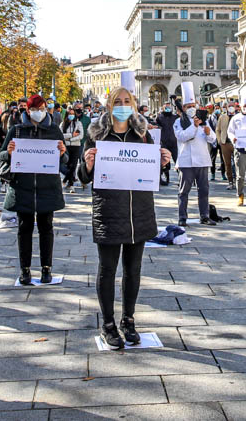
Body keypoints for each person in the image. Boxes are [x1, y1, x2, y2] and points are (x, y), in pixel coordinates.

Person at [78, 86, 171, 349]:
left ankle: (128, 320)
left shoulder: (143, 136)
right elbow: (82, 176)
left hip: (139, 211)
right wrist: (87, 164)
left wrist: (163, 162)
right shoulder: (96, 135)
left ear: (133, 105)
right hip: (108, 210)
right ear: (109, 106)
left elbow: (153, 171)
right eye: (117, 101)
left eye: (126, 101)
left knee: (134, 270)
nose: (122, 104)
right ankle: (108, 324)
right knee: (107, 270)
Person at [0, 95, 67, 285]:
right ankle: (25, 270)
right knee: (24, 228)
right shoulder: (17, 130)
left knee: (47, 228)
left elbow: (65, 161)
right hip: (24, 187)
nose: (40, 112)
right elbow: (2, 156)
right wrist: (10, 152)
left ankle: (47, 269)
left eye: (43, 108)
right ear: (27, 111)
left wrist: (62, 153)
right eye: (36, 108)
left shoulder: (53, 130)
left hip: (47, 186)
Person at [174, 89, 217, 226]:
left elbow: (212, 139)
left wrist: (209, 133)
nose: (192, 108)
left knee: (204, 190)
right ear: (183, 109)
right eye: (188, 106)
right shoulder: (178, 122)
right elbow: (182, 136)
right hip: (186, 161)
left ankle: (204, 215)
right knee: (183, 191)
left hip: (202, 160)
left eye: (193, 105)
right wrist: (194, 126)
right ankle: (182, 217)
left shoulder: (204, 121)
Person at [60, 106, 84, 193]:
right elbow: (61, 135)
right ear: (67, 114)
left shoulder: (78, 123)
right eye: (70, 114)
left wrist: (70, 139)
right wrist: (71, 135)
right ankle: (70, 183)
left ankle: (67, 181)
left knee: (73, 165)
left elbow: (80, 136)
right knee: (67, 165)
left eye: (73, 114)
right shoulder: (62, 124)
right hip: (66, 147)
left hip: (76, 146)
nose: (71, 115)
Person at [155, 101, 178, 186]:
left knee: (177, 161)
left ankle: (181, 178)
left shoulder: (175, 117)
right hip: (164, 143)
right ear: (163, 108)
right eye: (166, 107)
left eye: (169, 107)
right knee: (165, 162)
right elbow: (156, 126)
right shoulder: (159, 117)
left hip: (174, 142)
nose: (168, 109)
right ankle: (165, 179)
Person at [216, 102, 236, 191]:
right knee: (227, 164)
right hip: (225, 143)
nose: (231, 108)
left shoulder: (238, 117)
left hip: (236, 144)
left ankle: (238, 181)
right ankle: (230, 181)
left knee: (237, 163)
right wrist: (219, 140)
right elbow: (218, 130)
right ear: (227, 108)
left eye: (232, 106)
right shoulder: (222, 117)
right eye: (229, 106)